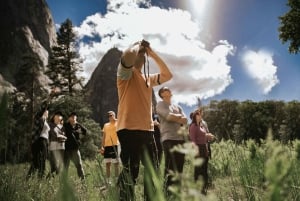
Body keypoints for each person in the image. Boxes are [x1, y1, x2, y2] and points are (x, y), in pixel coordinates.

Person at [116, 39, 172, 201]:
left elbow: (168, 75)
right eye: (139, 53)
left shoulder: (148, 78)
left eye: (143, 53)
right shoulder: (124, 74)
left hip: (148, 131)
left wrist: (152, 52)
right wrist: (138, 44)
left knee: (153, 172)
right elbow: (127, 55)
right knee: (130, 171)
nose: (141, 54)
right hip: (128, 130)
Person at [156, 86, 188, 197]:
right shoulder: (160, 104)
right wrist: (178, 118)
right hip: (168, 138)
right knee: (170, 167)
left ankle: (177, 192)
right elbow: (168, 117)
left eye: (168, 89)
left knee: (180, 167)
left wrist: (177, 117)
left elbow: (185, 120)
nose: (168, 89)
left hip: (180, 139)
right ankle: (167, 193)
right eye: (165, 89)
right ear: (162, 94)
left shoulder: (178, 106)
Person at [189, 109, 214, 195]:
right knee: (198, 170)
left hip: (204, 148)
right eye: (198, 114)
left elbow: (204, 138)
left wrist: (208, 137)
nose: (200, 116)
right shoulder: (193, 126)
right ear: (195, 115)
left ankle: (204, 189)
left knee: (204, 169)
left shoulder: (202, 126)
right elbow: (193, 140)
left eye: (201, 114)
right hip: (198, 148)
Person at [26, 101, 50, 179]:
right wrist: (49, 98)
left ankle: (29, 179)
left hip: (44, 142)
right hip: (39, 142)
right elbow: (42, 108)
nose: (47, 112)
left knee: (38, 163)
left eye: (47, 111)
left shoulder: (46, 121)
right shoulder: (38, 118)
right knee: (39, 163)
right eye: (46, 111)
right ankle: (39, 181)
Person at [64, 112, 87, 180]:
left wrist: (80, 140)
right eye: (72, 117)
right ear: (69, 118)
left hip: (75, 149)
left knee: (79, 165)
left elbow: (85, 132)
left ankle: (83, 181)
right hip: (66, 149)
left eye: (74, 117)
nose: (73, 118)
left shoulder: (78, 125)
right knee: (65, 166)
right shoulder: (66, 125)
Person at [101, 111, 119, 185]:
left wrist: (116, 119)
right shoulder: (105, 125)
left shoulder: (118, 123)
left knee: (116, 164)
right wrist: (102, 146)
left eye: (111, 115)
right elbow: (104, 136)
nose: (110, 117)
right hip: (107, 146)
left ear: (114, 115)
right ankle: (108, 181)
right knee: (107, 164)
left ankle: (117, 181)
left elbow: (123, 121)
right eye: (109, 116)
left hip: (115, 145)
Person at [48, 111, 67, 177]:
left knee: (60, 164)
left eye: (60, 115)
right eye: (57, 115)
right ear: (54, 117)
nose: (58, 116)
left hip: (61, 146)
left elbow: (65, 136)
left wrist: (63, 137)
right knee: (54, 164)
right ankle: (49, 178)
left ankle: (56, 178)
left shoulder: (62, 126)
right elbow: (48, 135)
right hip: (53, 146)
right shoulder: (50, 125)